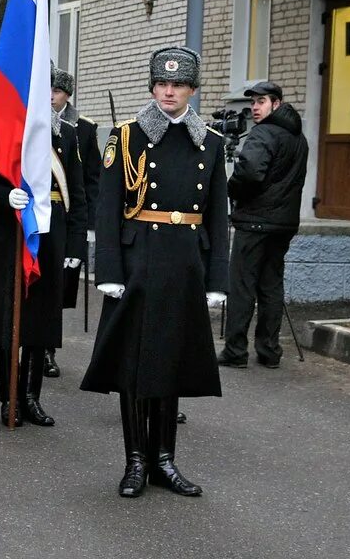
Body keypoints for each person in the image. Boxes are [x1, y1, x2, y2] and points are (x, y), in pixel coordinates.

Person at [81, 47, 229, 498]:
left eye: (179, 85)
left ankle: (165, 460)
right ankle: (136, 461)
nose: (169, 91)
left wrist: (217, 278)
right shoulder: (125, 137)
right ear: (151, 87)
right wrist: (107, 268)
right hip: (138, 261)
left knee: (173, 362)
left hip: (185, 263)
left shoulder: (212, 142)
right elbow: (108, 208)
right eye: (162, 84)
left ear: (192, 89)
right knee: (133, 364)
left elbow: (218, 217)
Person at [0, 70, 88, 428]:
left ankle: (32, 397)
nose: (46, 96)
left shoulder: (66, 134)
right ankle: (10, 398)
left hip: (52, 236)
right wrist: (6, 197)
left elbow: (78, 196)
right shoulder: (6, 133)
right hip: (12, 234)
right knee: (10, 320)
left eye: (51, 91)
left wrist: (77, 244)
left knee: (41, 321)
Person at [218, 81, 308, 369]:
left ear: (276, 104)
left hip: (255, 222)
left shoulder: (263, 134)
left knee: (242, 286)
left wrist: (231, 190)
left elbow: (249, 174)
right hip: (283, 224)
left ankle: (235, 351)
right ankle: (269, 352)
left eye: (262, 102)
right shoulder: (298, 138)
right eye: (253, 103)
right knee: (271, 286)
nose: (255, 108)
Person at [50, 67, 101, 377]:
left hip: (70, 215)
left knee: (59, 291)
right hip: (45, 213)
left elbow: (92, 179)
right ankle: (38, 348)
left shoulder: (82, 128)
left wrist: (89, 225)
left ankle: (49, 349)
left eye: (56, 91)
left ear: (67, 95)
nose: (51, 96)